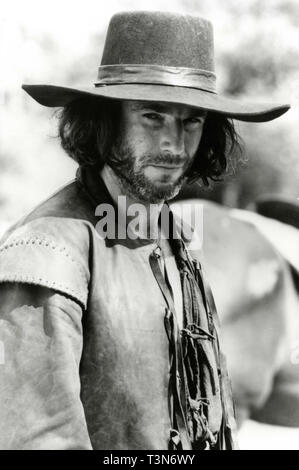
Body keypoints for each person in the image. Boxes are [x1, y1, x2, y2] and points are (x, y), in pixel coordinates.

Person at [0, 11, 290, 450]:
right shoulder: (49, 253)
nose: (174, 145)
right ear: (106, 121)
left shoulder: (174, 237)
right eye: (152, 116)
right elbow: (40, 438)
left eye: (191, 121)